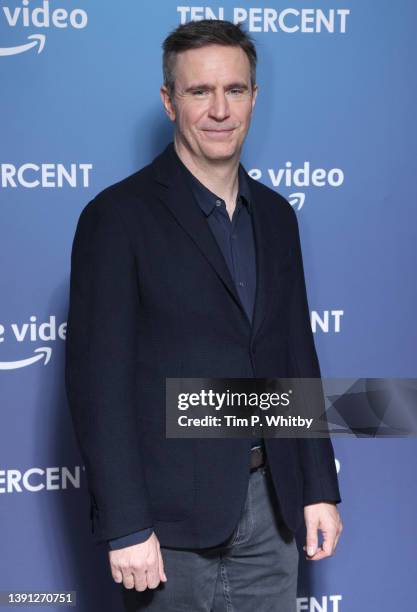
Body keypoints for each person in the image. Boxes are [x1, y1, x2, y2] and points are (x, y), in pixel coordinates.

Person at [65, 19, 343, 611]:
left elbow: (295, 355)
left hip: (274, 511)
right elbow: (98, 385)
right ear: (170, 101)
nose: (219, 110)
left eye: (234, 90)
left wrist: (317, 486)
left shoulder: (276, 216)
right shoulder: (116, 218)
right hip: (165, 530)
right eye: (199, 92)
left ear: (253, 98)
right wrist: (126, 525)